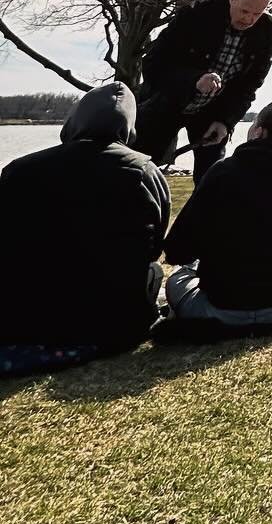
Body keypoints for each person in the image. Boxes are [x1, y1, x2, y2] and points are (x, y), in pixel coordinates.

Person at [0, 83, 169, 376]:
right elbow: (154, 249)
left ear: (75, 120)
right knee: (154, 271)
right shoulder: (144, 172)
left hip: (22, 319)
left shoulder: (19, 170)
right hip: (110, 324)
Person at [163, 98, 272, 328]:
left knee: (178, 276)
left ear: (259, 132)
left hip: (219, 308)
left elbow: (177, 250)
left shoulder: (222, 171)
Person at [132, 0, 272, 183]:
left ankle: (207, 214)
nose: (249, 20)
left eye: (257, 13)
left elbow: (249, 84)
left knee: (212, 179)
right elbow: (153, 65)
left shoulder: (267, 30)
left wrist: (225, 121)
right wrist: (195, 80)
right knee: (138, 170)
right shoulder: (196, 14)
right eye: (245, 11)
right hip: (165, 102)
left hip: (214, 112)